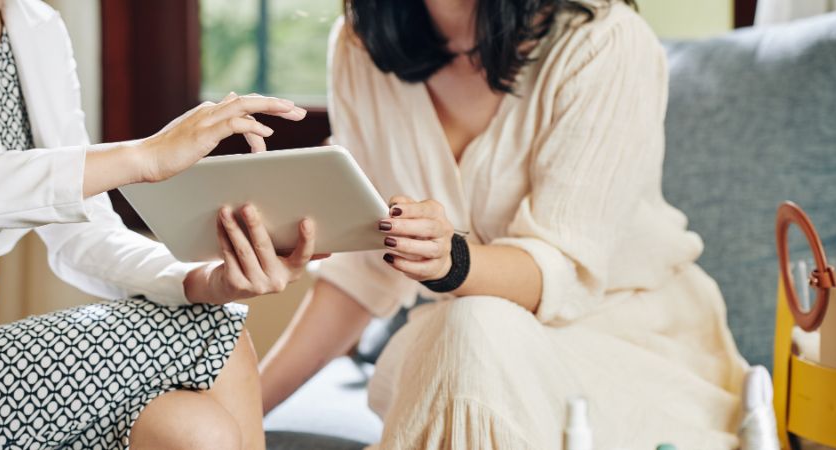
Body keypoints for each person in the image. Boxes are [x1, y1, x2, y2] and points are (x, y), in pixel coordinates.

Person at [259, 0, 748, 448]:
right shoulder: (360, 47)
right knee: (462, 332)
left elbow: (561, 272)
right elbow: (363, 274)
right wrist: (242, 411)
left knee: (472, 327)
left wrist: (453, 262)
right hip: (457, 349)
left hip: (621, 349)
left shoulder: (606, 43)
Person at [0, 0, 315, 449]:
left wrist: (199, 279)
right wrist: (143, 157)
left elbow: (81, 230)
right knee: (214, 337)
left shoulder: (36, 27)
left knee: (194, 430)